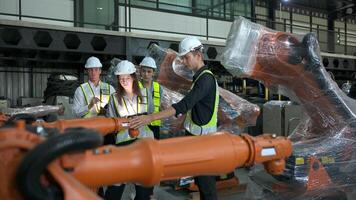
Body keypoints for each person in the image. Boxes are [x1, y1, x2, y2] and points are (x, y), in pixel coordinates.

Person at [130, 37, 219, 200]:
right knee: (202, 183)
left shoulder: (205, 79)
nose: (184, 62)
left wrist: (150, 117)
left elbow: (184, 105)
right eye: (183, 58)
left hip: (204, 142)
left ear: (198, 54)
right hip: (196, 139)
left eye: (186, 57)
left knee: (207, 188)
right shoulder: (198, 77)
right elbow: (193, 108)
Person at [105, 60, 154, 200]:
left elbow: (150, 113)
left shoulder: (145, 93)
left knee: (142, 185)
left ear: (133, 77)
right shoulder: (114, 98)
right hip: (123, 145)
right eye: (121, 79)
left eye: (127, 78)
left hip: (144, 144)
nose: (124, 81)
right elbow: (111, 121)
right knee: (116, 183)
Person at [138, 56, 163, 139]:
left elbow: (161, 106)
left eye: (149, 71)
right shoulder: (135, 87)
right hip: (139, 125)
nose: (146, 74)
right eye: (144, 71)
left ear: (153, 73)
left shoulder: (159, 88)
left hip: (154, 125)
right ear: (140, 71)